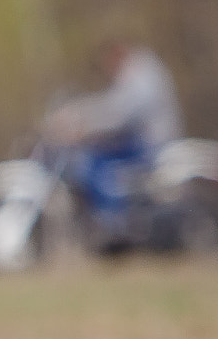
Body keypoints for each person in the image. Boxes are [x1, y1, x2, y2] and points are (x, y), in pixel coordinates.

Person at [42, 42, 182, 246]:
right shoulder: (141, 74)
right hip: (144, 140)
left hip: (149, 144)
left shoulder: (140, 76)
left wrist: (85, 126)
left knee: (94, 164)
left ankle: (113, 222)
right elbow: (112, 105)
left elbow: (121, 113)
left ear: (117, 55)